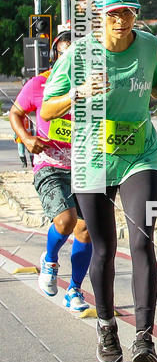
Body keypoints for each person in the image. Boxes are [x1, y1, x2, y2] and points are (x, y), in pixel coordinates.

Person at [41, 0, 157, 362]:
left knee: (142, 242)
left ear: (136, 13)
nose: (121, 20)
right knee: (103, 247)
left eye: (128, 12)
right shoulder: (78, 55)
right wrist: (79, 93)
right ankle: (106, 327)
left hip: (140, 156)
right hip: (92, 160)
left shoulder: (151, 47)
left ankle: (144, 339)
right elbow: (46, 110)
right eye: (113, 13)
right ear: (99, 15)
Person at [9, 32, 92, 311]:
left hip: (84, 166)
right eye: (65, 54)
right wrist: (26, 138)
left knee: (86, 229)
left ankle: (75, 290)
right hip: (50, 164)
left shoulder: (91, 86)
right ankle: (50, 260)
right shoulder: (39, 84)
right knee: (67, 221)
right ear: (56, 55)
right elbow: (15, 113)